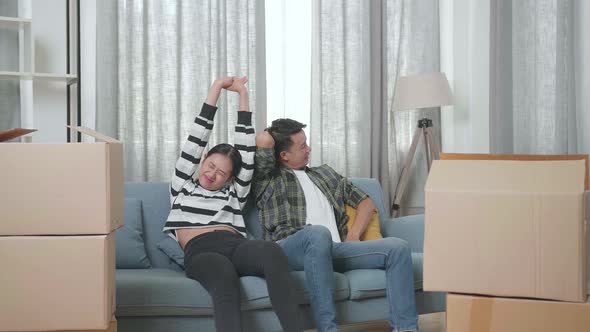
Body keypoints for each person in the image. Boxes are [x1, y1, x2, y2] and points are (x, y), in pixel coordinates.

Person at [163, 77, 302, 332]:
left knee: (272, 252)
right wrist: (216, 87)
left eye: (221, 173)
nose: (212, 174)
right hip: (201, 251)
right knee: (224, 274)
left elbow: (246, 152)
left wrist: (242, 95)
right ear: (203, 160)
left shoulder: (233, 193)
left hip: (236, 244)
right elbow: (197, 136)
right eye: (210, 165)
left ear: (230, 179)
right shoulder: (182, 185)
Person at [253, 119, 419, 332]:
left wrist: (353, 236)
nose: (309, 149)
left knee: (397, 247)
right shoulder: (268, 178)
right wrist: (277, 130)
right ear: (283, 155)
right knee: (317, 233)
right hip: (290, 248)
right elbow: (263, 140)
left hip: (334, 249)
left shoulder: (325, 174)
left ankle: (406, 329)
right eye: (302, 146)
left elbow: (366, 203)